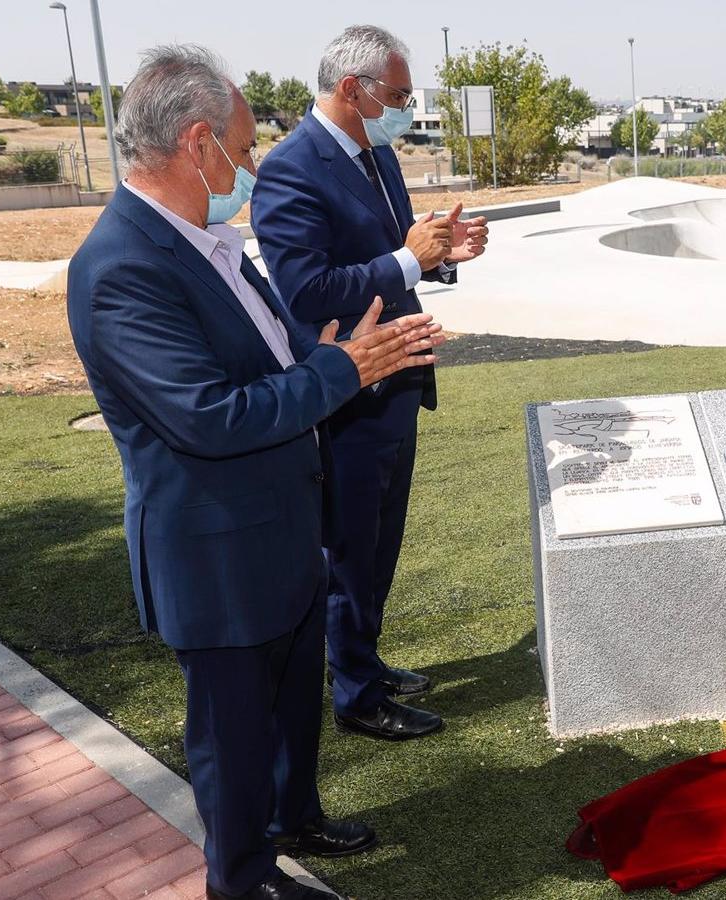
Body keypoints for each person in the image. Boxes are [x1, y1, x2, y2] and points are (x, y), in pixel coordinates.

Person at [66, 45, 446, 899]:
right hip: (219, 551)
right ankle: (240, 879)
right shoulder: (121, 267)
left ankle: (295, 817)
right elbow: (209, 415)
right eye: (241, 150)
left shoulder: (207, 239)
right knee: (233, 737)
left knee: (288, 709)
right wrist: (344, 368)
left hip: (278, 526)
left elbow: (272, 358)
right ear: (196, 145)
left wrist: (333, 357)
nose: (251, 168)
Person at [252, 25, 489, 743]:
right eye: (397, 94)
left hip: (396, 378)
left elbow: (395, 252)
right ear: (351, 90)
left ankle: (364, 659)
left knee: (380, 541)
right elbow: (307, 290)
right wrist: (412, 261)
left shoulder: (375, 152)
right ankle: (356, 695)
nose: (404, 109)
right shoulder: (292, 167)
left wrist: (443, 255)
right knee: (351, 546)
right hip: (348, 388)